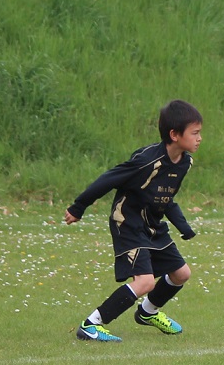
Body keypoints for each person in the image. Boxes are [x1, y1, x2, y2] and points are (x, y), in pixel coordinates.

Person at [64, 101, 203, 343]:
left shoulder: (184, 163)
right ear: (174, 134)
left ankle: (147, 313)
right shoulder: (146, 160)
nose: (200, 138)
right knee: (145, 281)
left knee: (181, 273)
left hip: (152, 224)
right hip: (127, 222)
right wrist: (79, 207)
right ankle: (90, 324)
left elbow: (166, 198)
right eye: (195, 133)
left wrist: (183, 227)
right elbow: (108, 179)